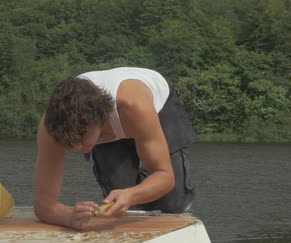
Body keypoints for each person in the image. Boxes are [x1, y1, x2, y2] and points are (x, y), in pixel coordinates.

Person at [34, 67, 197, 230]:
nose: (77, 147)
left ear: (99, 120)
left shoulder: (135, 106)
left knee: (174, 203)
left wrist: (132, 194)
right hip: (107, 119)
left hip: (155, 105)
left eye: (80, 138)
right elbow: (43, 205)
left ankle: (144, 184)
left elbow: (165, 176)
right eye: (68, 141)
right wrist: (69, 217)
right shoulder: (52, 126)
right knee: (123, 207)